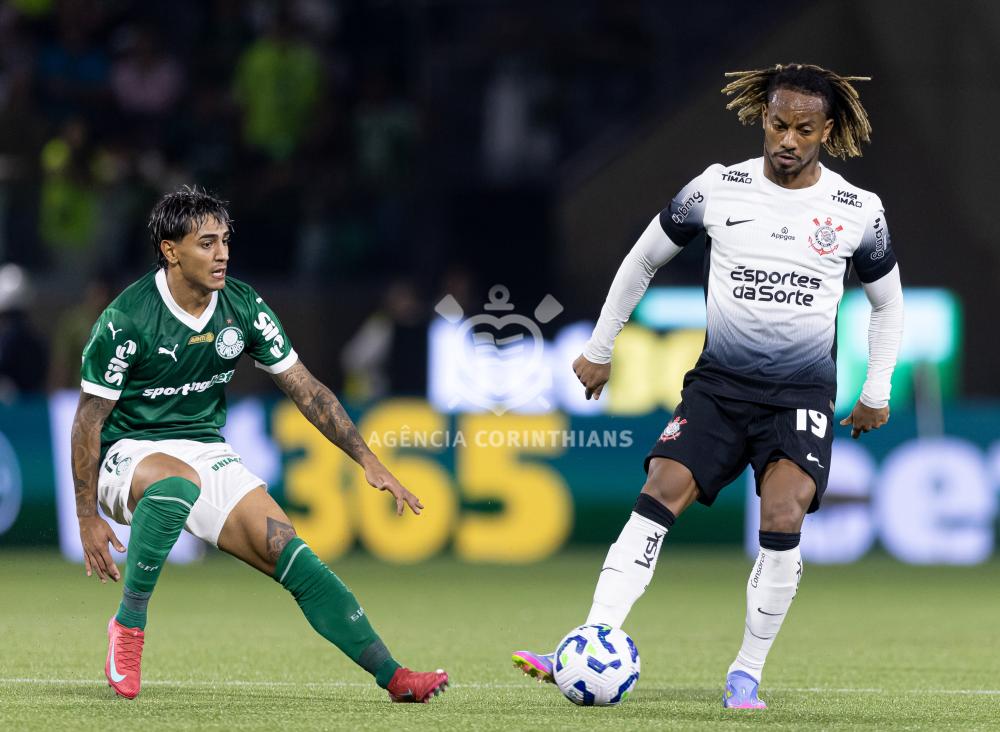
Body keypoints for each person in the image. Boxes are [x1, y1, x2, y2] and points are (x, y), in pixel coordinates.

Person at [511, 63, 903, 709]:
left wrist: (878, 389)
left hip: (798, 395)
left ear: (826, 131)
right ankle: (592, 636)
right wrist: (600, 348)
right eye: (778, 124)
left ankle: (746, 672)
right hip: (718, 387)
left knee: (783, 513)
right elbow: (642, 260)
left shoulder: (858, 211)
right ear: (762, 118)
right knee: (660, 489)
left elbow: (887, 305)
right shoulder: (716, 189)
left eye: (804, 129)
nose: (787, 140)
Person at [72, 186, 449, 702]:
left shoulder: (243, 306)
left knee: (290, 552)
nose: (221, 252)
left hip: (205, 449)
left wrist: (367, 459)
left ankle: (395, 677)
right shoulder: (126, 319)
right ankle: (128, 626)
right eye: (206, 243)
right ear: (170, 250)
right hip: (128, 451)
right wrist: (86, 514)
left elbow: (306, 388)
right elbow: (88, 420)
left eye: (225, 240)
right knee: (176, 483)